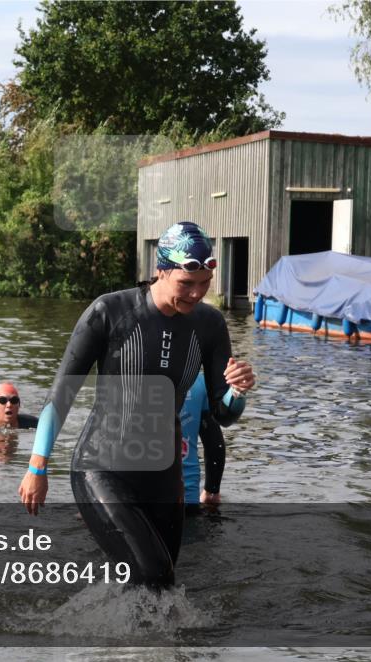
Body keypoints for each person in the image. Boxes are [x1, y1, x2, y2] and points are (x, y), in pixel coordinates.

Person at [17, 221, 255, 588]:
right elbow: (62, 393)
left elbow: (222, 416)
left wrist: (236, 392)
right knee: (154, 573)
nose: (195, 295)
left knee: (163, 585)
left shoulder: (209, 324)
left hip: (163, 475)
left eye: (204, 285)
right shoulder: (109, 312)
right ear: (161, 271)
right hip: (102, 465)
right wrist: (37, 466)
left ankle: (127, 644)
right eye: (186, 284)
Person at [180, 373, 233, 511]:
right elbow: (215, 444)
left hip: (132, 498)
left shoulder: (124, 380)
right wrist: (211, 491)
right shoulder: (198, 381)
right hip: (186, 494)